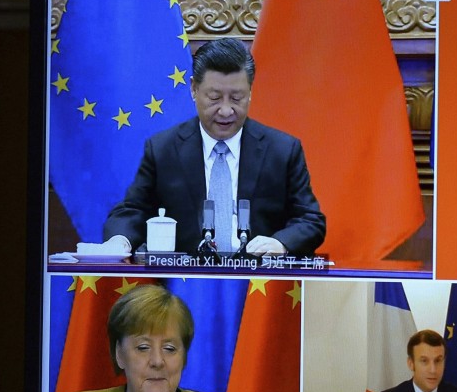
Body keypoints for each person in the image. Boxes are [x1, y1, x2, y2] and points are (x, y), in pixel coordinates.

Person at [103, 37, 326, 256]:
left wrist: (280, 243)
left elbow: (310, 220)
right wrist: (120, 241)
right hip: (185, 284)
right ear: (193, 89)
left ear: (250, 92)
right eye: (214, 98)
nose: (226, 111)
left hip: (257, 283)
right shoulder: (164, 149)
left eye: (237, 98)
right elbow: (133, 211)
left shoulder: (282, 150)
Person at [50, 284, 251, 392]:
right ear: (119, 354)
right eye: (143, 348)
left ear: (184, 357)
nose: (157, 361)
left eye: (169, 349)